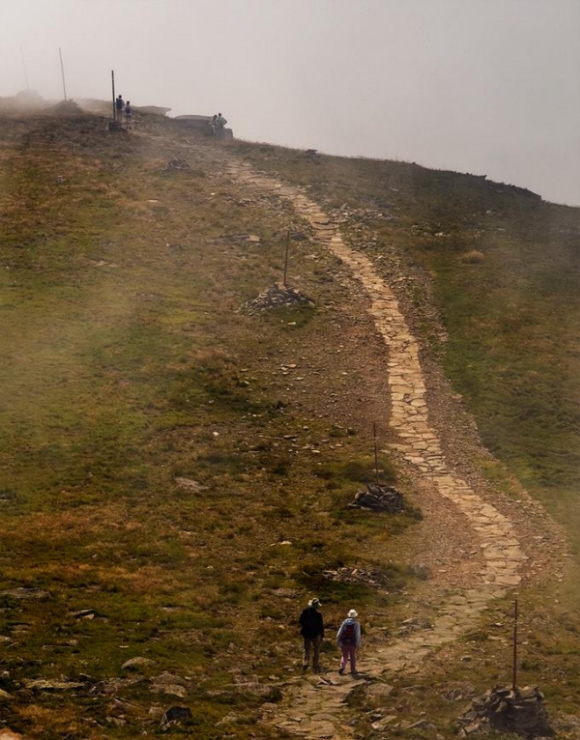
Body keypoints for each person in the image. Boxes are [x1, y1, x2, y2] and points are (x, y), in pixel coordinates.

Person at [299, 598, 324, 673]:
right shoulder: (318, 615)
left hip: (306, 633)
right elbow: (321, 626)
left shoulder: (305, 612)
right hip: (315, 634)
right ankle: (315, 664)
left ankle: (306, 662)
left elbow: (300, 621)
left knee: (307, 648)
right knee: (316, 649)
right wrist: (322, 635)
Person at [337, 609, 361, 676]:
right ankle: (353, 670)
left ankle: (342, 666)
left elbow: (339, 633)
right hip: (352, 643)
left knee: (344, 655)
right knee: (352, 656)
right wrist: (357, 643)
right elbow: (357, 635)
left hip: (344, 642)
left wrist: (338, 641)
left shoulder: (344, 623)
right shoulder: (356, 624)